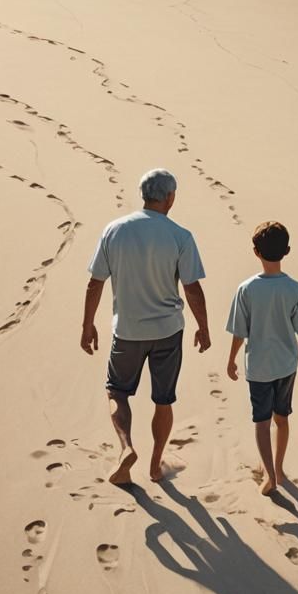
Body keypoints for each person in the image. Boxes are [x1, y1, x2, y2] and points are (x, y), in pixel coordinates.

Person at [82, 168, 211, 487]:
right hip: (168, 330)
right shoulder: (181, 236)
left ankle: (126, 447)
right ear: (170, 197)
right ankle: (155, 465)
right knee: (163, 400)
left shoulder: (114, 230)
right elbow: (192, 288)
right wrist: (203, 327)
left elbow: (95, 282)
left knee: (117, 391)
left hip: (128, 330)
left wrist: (88, 325)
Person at [224, 221, 298, 496]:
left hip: (259, 367)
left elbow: (239, 332)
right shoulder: (295, 289)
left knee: (262, 421)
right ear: (287, 251)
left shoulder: (246, 289)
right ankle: (278, 467)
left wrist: (231, 359)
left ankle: (269, 475)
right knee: (282, 416)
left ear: (256, 252)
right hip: (286, 364)